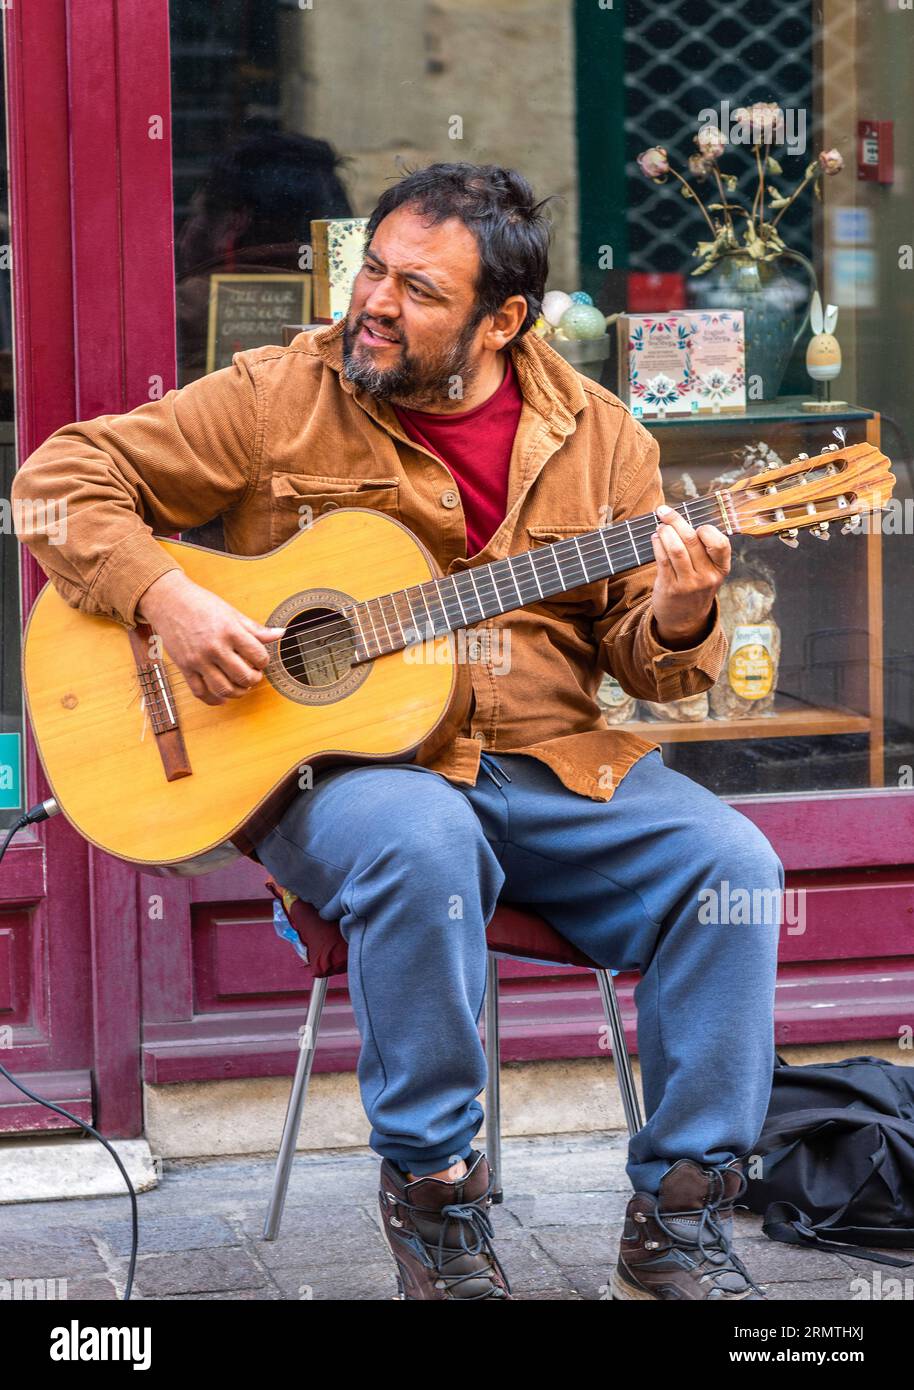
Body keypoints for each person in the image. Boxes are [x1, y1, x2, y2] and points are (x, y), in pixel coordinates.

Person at [12, 161, 783, 1302]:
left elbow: (642, 654)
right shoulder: (281, 393)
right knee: (425, 837)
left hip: (545, 761)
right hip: (340, 774)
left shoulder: (601, 436)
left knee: (738, 868)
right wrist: (167, 600)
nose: (372, 301)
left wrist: (677, 611)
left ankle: (677, 1215)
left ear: (502, 319)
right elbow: (54, 482)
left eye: (417, 289)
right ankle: (436, 1192)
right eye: (371, 266)